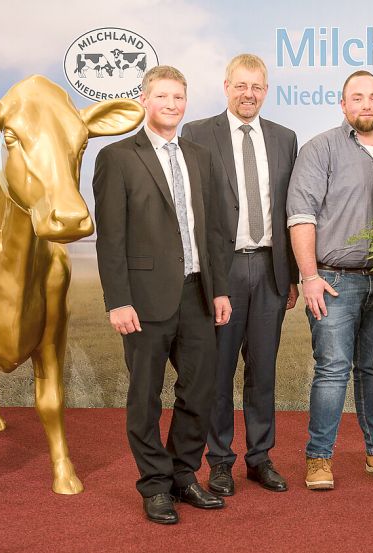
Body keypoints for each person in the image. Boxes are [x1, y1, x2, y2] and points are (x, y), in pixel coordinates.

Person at [93, 65, 233, 524]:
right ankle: (153, 485)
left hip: (197, 293)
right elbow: (110, 237)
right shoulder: (117, 157)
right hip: (143, 299)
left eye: (179, 97)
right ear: (144, 100)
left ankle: (182, 474)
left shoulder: (200, 155)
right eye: (163, 96)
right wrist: (118, 300)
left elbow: (212, 230)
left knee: (201, 389)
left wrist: (219, 291)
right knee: (145, 397)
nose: (172, 105)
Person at [182, 54, 298, 497]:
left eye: (257, 87)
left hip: (270, 269)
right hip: (223, 271)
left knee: (263, 371)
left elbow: (291, 208)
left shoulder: (285, 138)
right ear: (226, 86)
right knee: (219, 370)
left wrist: (289, 276)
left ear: (265, 91)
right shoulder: (198, 134)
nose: (248, 94)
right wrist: (209, 282)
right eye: (241, 85)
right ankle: (220, 461)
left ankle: (260, 458)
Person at [286, 70, 373, 490]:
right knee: (333, 370)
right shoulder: (321, 148)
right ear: (343, 104)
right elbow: (301, 215)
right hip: (334, 280)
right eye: (357, 98)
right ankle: (319, 458)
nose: (366, 105)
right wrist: (309, 277)